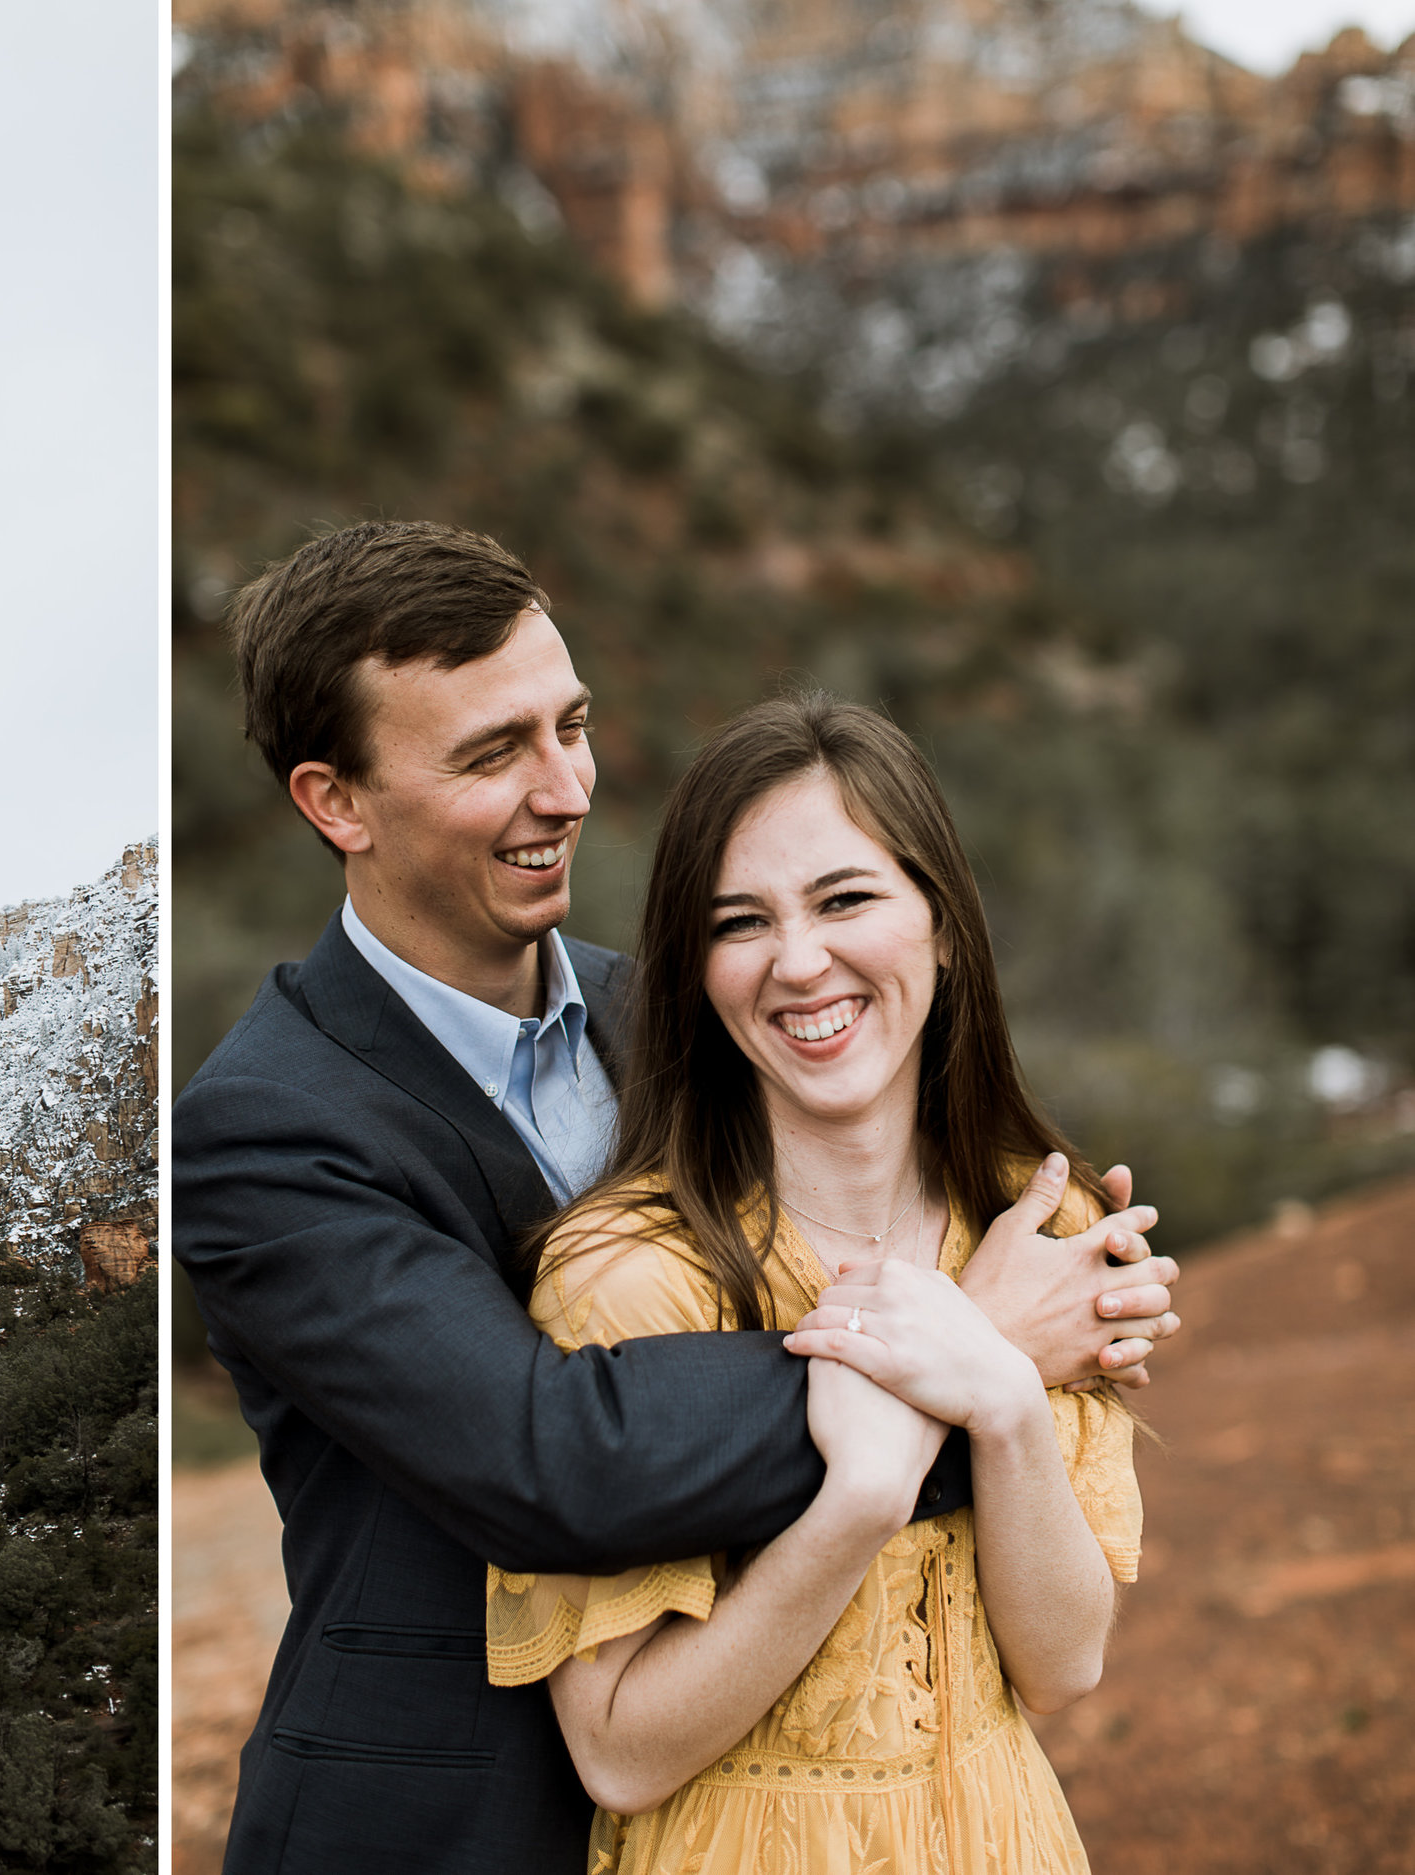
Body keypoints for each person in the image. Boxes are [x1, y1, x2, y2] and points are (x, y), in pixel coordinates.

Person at [173, 520, 1179, 1873]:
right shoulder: (263, 1130)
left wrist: (1079, 1268)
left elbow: (886, 1122)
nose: (564, 787)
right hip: (446, 1827)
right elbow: (551, 1458)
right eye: (491, 753)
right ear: (334, 800)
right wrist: (972, 1348)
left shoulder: (692, 1004)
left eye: (569, 725)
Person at [487, 693, 1134, 1871]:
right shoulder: (626, 1279)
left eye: (844, 899)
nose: (798, 962)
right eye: (741, 923)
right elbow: (619, 1752)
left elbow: (1064, 1663)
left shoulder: (1033, 1223)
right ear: (696, 973)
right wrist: (854, 1507)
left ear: (939, 920)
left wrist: (999, 1394)